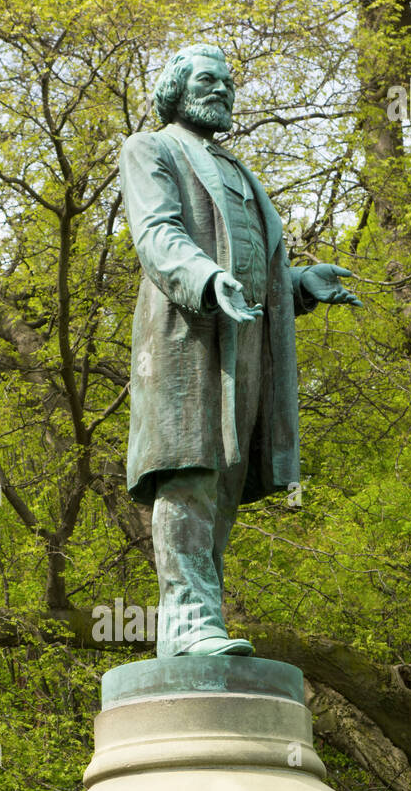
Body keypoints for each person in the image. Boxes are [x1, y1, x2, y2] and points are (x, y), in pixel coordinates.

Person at [119, 44, 361, 656]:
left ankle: (194, 623)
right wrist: (203, 277)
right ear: (176, 88)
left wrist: (300, 284)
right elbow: (157, 234)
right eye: (208, 79)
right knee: (187, 472)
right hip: (181, 341)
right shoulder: (152, 148)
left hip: (242, 347)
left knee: (222, 480)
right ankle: (190, 622)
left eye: (229, 81)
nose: (223, 89)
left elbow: (252, 261)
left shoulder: (236, 169)